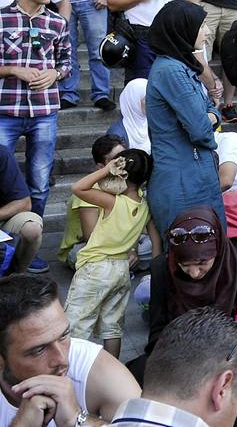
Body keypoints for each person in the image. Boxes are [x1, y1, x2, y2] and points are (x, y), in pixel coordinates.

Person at [0, 274, 140, 427]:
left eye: (64, 335)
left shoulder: (96, 371)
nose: (62, 359)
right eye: (39, 350)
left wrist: (77, 420)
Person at [0, 0, 72, 236]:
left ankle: (33, 238)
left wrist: (55, 73)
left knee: (40, 182)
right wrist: (12, 69)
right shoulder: (2, 18)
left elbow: (66, 62)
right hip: (5, 110)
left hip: (44, 111)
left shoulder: (56, 22)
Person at [65, 148, 151, 358]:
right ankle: (111, 367)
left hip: (96, 268)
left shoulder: (112, 201)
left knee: (76, 325)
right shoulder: (145, 205)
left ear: (121, 172)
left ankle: (72, 370)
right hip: (121, 269)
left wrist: (105, 171)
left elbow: (78, 188)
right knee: (112, 327)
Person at [147, 206, 237, 351]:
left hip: (233, 350)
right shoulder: (162, 268)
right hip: (180, 350)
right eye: (184, 265)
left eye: (202, 263)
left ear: (218, 252)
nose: (194, 273)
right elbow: (157, 327)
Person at [0, 144, 43, 275]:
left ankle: (17, 277)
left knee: (32, 228)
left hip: (2, 217)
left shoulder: (2, 154)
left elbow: (24, 203)